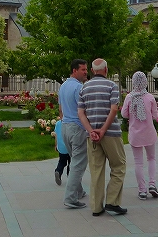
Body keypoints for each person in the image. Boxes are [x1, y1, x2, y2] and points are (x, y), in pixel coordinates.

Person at [78, 58, 127, 216]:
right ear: (106, 70)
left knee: (96, 170)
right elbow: (114, 109)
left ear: (92, 71)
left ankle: (96, 207)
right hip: (111, 133)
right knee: (118, 166)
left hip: (92, 136)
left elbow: (81, 112)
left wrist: (91, 130)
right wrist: (103, 129)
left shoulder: (84, 87)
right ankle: (112, 202)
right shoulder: (112, 86)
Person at [121, 71, 158, 200]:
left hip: (135, 134)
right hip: (149, 132)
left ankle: (142, 190)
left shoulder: (129, 97)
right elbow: (155, 115)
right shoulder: (150, 97)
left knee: (138, 162)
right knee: (151, 158)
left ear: (133, 82)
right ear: (145, 82)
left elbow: (124, 114)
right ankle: (152, 184)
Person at [58, 58, 89, 209]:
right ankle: (70, 198)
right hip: (77, 128)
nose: (86, 72)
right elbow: (83, 110)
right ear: (74, 70)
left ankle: (79, 191)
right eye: (83, 70)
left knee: (75, 160)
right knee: (78, 163)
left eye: (86, 69)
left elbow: (60, 109)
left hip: (65, 127)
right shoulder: (79, 88)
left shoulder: (63, 86)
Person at [53, 111, 70, 186]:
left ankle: (58, 171)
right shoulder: (70, 124)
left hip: (61, 147)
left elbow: (56, 135)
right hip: (70, 147)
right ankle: (70, 177)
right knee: (71, 163)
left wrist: (56, 145)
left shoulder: (58, 123)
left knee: (62, 162)